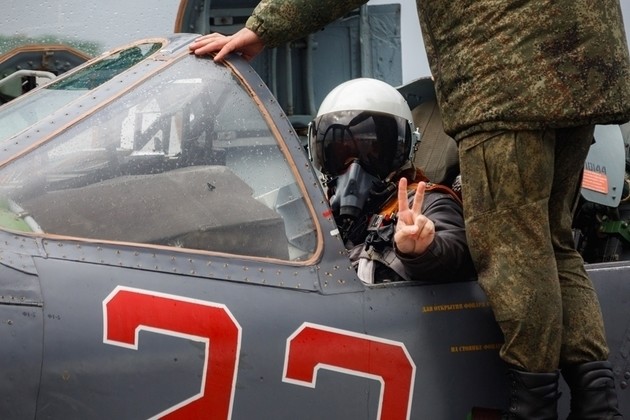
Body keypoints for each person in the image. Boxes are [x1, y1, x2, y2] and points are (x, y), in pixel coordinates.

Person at [189, 2, 630, 418]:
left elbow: (467, 253)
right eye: (339, 147)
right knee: (553, 244)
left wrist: (263, 27)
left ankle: (534, 410)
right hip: (583, 69)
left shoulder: (427, 201)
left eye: (371, 147)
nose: (354, 165)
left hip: (508, 78)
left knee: (516, 252)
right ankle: (599, 407)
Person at [308, 77, 475, 284]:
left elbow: (454, 248)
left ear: (403, 151)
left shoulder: (425, 204)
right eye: (341, 153)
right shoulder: (316, 211)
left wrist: (425, 250)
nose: (354, 170)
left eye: (372, 153)